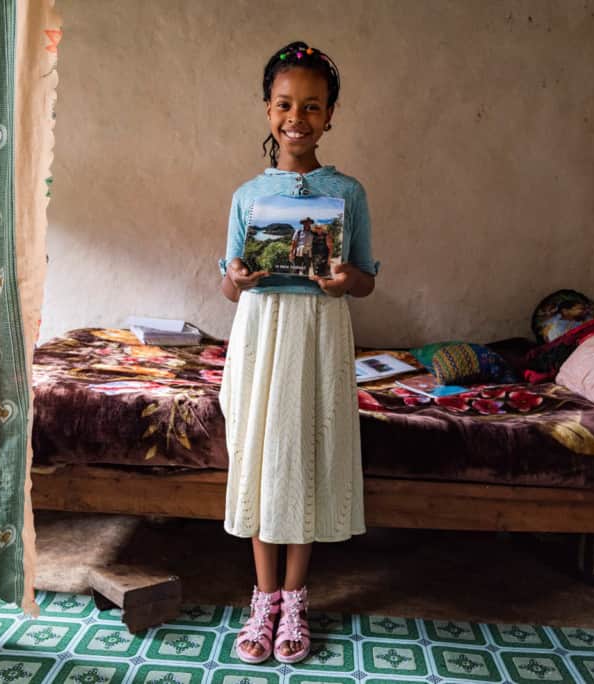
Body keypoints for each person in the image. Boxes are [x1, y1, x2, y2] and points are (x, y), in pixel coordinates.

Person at [217, 40, 378, 665]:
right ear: (266, 110)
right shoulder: (247, 196)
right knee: (262, 453)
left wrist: (344, 282)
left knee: (307, 452)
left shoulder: (349, 193)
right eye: (285, 104)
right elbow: (229, 284)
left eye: (312, 106)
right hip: (263, 331)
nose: (297, 118)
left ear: (330, 114)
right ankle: (262, 598)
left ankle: (294, 598)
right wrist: (237, 273)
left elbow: (365, 277)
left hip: (317, 329)